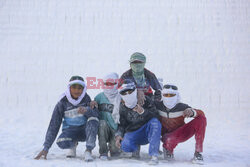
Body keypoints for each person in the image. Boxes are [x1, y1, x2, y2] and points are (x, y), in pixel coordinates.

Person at [34, 76, 99, 162]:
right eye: (74, 88)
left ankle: (88, 151)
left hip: (84, 131)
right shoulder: (62, 102)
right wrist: (46, 148)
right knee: (61, 142)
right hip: (70, 131)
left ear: (83, 89)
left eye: (80, 88)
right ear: (69, 88)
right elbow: (54, 124)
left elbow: (96, 115)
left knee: (93, 119)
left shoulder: (86, 99)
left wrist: (87, 110)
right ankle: (72, 145)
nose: (77, 91)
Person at [155, 84, 207, 164]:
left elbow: (201, 114)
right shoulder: (157, 106)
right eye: (166, 95)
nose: (169, 97)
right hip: (165, 136)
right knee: (168, 138)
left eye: (171, 95)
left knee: (201, 119)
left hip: (180, 133)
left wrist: (193, 112)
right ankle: (168, 149)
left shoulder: (182, 107)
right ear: (163, 95)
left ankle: (198, 153)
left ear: (177, 95)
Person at [115, 79, 162, 165]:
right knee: (125, 146)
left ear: (134, 90)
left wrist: (143, 112)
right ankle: (135, 149)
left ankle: (154, 154)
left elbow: (156, 115)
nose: (127, 94)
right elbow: (122, 124)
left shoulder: (145, 100)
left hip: (147, 131)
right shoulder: (122, 107)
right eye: (124, 93)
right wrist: (118, 135)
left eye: (130, 91)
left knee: (155, 123)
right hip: (133, 132)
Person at [94, 73, 121, 160]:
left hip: (116, 129)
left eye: (112, 84)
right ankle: (103, 152)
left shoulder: (121, 97)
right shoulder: (99, 97)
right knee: (102, 123)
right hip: (104, 128)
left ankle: (114, 147)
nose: (109, 86)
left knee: (115, 153)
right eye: (107, 84)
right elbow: (93, 111)